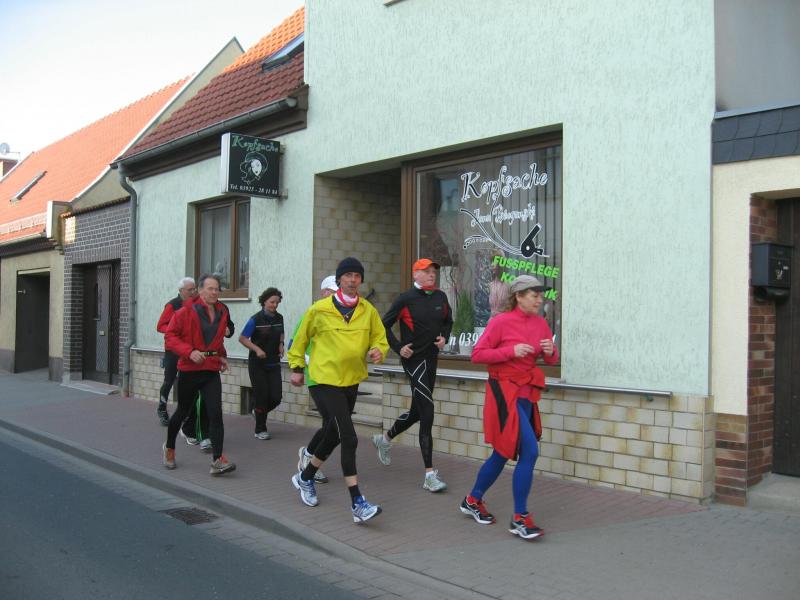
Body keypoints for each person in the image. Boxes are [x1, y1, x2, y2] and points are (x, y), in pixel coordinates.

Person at [288, 257, 389, 523]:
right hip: (324, 378)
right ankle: (357, 502)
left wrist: (379, 350)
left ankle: (305, 477)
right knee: (349, 437)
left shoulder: (368, 310)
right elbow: (299, 340)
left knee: (332, 434)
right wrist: (297, 367)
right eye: (348, 276)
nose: (353, 280)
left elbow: (380, 338)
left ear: (361, 280)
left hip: (351, 379)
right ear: (339, 279)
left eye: (357, 276)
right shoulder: (319, 309)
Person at [459, 275, 558, 540]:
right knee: (530, 451)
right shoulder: (500, 322)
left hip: (527, 395)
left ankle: (472, 499)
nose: (539, 300)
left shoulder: (540, 323)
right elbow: (477, 354)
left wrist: (551, 351)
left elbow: (551, 358)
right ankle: (520, 518)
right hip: (504, 394)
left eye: (540, 295)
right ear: (519, 297)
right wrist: (511, 351)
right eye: (534, 295)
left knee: (503, 452)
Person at [372, 258, 453, 492]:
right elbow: (382, 325)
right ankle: (429, 475)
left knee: (417, 411)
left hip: (431, 360)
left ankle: (384, 440)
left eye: (433, 271)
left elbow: (448, 321)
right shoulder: (405, 299)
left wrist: (444, 337)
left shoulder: (440, 297)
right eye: (426, 271)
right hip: (413, 361)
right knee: (427, 411)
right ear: (415, 274)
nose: (431, 274)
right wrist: (398, 347)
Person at [162, 273, 236, 476]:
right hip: (190, 370)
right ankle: (169, 448)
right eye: (210, 288)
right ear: (200, 290)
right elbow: (170, 337)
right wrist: (189, 352)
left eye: (217, 289)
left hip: (211, 370)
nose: (214, 292)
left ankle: (217, 460)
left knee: (215, 413)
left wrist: (222, 356)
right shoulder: (185, 310)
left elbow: (217, 339)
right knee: (182, 412)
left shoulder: (222, 310)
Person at [294, 275, 339, 484]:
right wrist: (306, 364)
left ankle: (310, 457)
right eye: (333, 291)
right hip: (316, 377)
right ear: (324, 292)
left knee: (331, 425)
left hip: (337, 378)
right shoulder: (313, 312)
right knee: (333, 422)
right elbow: (295, 344)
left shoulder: (340, 315)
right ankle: (309, 457)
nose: (336, 296)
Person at [238, 287, 284, 440]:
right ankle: (260, 429)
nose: (275, 305)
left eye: (277, 302)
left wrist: (281, 345)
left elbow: (281, 333)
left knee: (276, 397)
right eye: (272, 302)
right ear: (264, 301)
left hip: (274, 363)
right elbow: (243, 338)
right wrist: (257, 349)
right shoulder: (255, 320)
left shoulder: (279, 318)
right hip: (257, 364)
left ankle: (256, 411)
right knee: (262, 396)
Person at [156, 277, 197, 426]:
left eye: (194, 289)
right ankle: (162, 408)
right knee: (169, 380)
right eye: (190, 289)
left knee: (188, 381)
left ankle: (186, 413)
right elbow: (160, 326)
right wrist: (176, 330)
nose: (193, 292)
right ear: (181, 291)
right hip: (173, 350)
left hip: (190, 350)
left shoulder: (197, 305)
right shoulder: (172, 305)